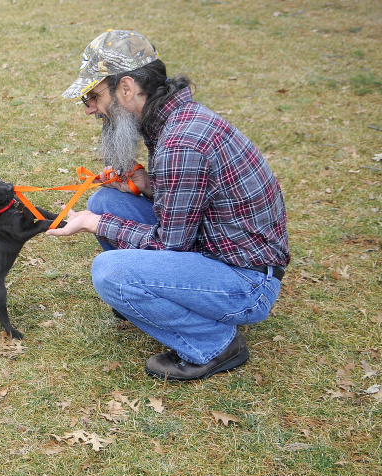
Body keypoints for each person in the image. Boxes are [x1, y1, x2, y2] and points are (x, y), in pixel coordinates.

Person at [48, 29, 289, 380]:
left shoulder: (180, 143)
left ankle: (214, 344)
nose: (89, 109)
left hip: (247, 283)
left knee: (110, 271)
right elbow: (195, 198)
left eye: (92, 95)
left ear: (126, 88)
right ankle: (154, 303)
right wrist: (146, 185)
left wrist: (93, 224)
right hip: (216, 247)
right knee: (103, 200)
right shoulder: (174, 119)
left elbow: (169, 244)